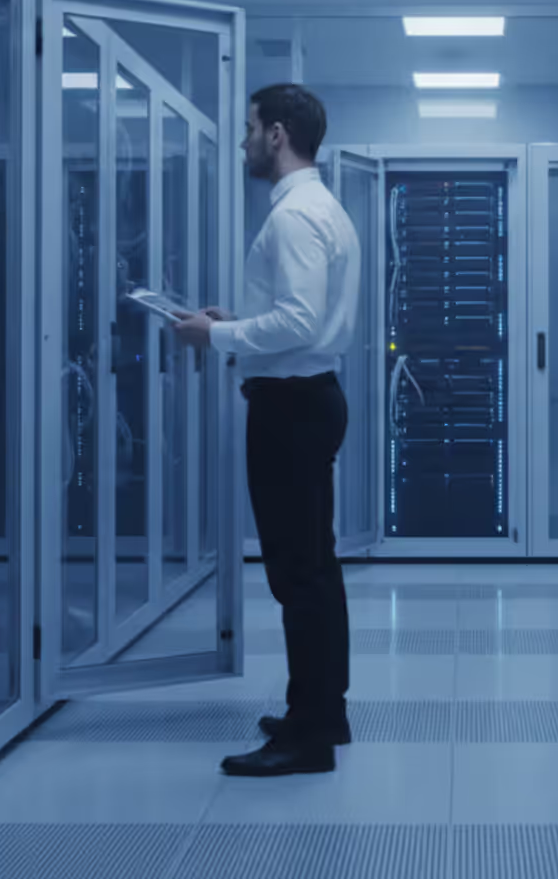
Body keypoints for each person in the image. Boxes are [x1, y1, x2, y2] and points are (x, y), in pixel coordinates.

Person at [172, 84, 359, 777]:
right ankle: (323, 712)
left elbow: (300, 322)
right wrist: (235, 324)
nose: (245, 140)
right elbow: (295, 317)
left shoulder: (294, 218)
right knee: (316, 566)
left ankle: (306, 739)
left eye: (250, 128)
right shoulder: (322, 208)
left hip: (292, 406)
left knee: (297, 575)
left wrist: (217, 333)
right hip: (311, 397)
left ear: (277, 134)